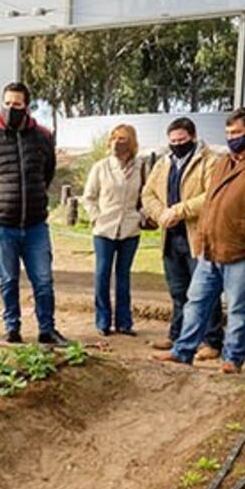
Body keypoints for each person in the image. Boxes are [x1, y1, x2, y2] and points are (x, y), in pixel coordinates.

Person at [154, 107, 245, 372]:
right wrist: (203, 241)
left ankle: (232, 360)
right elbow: (211, 204)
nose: (231, 137)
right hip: (210, 250)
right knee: (195, 302)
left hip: (244, 252)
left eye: (237, 132)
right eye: (228, 133)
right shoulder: (227, 161)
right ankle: (182, 351)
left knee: (239, 310)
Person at [0, 82, 67, 345]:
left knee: (43, 280)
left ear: (27, 107)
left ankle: (47, 330)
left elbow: (47, 173)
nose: (12, 109)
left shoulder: (43, 137)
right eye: (7, 104)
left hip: (35, 225)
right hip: (1, 226)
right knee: (8, 280)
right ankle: (13, 328)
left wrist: (33, 198)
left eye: (17, 105)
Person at [141, 117, 224, 360]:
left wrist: (179, 211)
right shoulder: (164, 162)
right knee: (178, 291)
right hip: (171, 236)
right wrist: (162, 215)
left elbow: (212, 195)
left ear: (193, 137)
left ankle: (211, 341)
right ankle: (177, 335)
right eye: (173, 141)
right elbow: (148, 193)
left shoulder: (210, 161)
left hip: (196, 235)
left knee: (205, 292)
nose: (177, 144)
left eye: (182, 140)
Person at [80, 124, 143, 337]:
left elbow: (147, 195)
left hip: (130, 230)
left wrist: (141, 217)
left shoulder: (142, 167)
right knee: (102, 274)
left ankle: (124, 323)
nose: (117, 142)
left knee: (123, 276)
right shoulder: (101, 167)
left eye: (123, 138)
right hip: (104, 230)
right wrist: (96, 217)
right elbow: (88, 196)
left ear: (131, 142)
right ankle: (103, 321)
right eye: (114, 138)